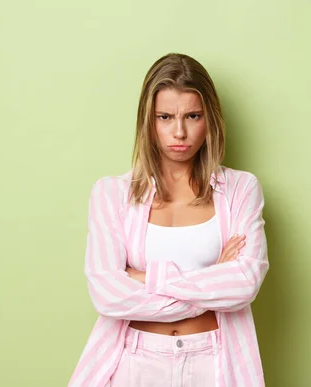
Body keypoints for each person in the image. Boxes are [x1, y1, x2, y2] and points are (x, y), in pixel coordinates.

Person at [68, 53, 269, 387]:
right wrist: (212, 276)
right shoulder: (111, 194)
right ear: (148, 121)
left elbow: (244, 283)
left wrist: (143, 277)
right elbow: (107, 294)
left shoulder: (240, 190)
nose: (179, 131)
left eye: (193, 116)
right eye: (165, 117)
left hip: (213, 361)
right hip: (134, 361)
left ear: (211, 120)